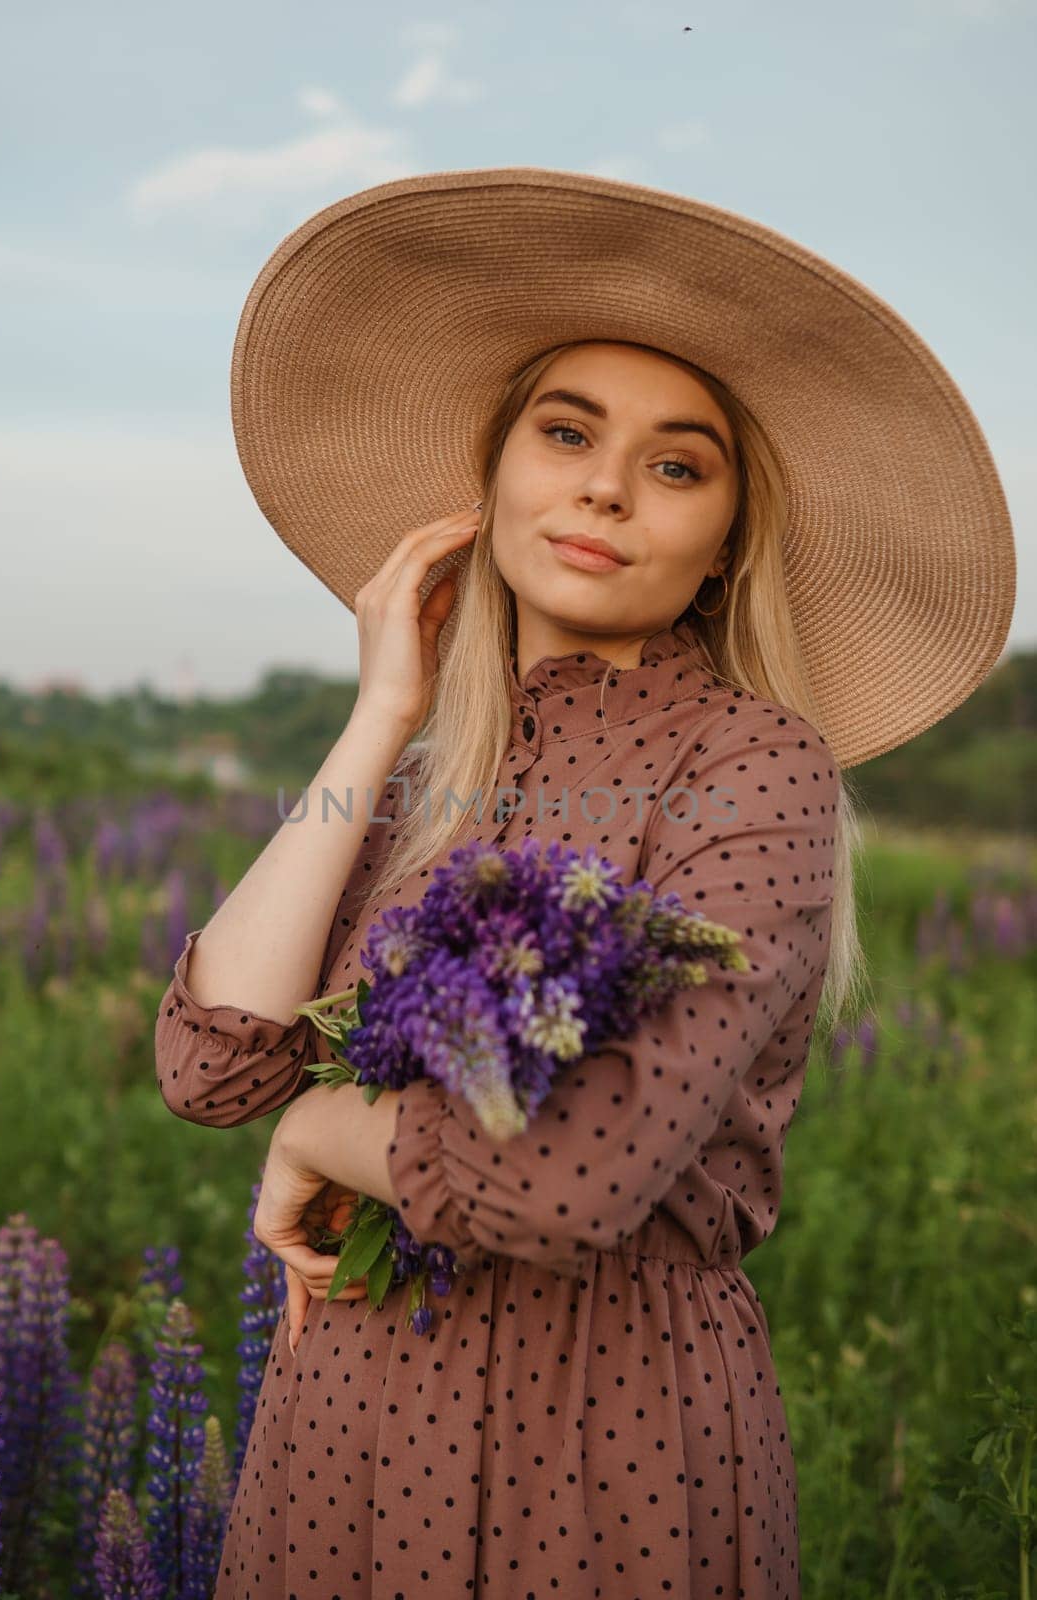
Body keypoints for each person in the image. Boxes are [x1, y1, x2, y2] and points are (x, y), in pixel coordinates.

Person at [154, 169, 1015, 1598]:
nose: (607, 486)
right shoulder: (422, 773)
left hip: (604, 1433)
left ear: (725, 539)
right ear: (493, 475)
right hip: (347, 1423)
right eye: (565, 434)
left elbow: (563, 1179)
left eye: (678, 465)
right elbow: (209, 1061)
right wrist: (379, 717)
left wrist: (320, 1127)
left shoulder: (755, 768)